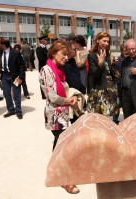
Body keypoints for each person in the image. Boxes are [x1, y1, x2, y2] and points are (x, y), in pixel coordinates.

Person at [39, 40, 80, 194]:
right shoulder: (47, 70)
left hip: (63, 114)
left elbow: (64, 90)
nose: (66, 58)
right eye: (63, 54)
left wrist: (72, 98)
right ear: (53, 53)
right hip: (55, 115)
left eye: (67, 55)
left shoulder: (59, 70)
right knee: (62, 147)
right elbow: (52, 96)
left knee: (59, 145)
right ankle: (64, 179)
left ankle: (55, 172)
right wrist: (68, 101)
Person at [86, 32, 120, 118]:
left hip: (109, 91)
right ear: (97, 40)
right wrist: (100, 63)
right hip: (97, 91)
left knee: (107, 118)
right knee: (96, 119)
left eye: (108, 42)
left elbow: (112, 74)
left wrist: (113, 65)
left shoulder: (107, 55)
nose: (106, 43)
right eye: (104, 41)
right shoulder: (92, 56)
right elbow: (95, 74)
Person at [63, 35, 88, 124]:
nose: (76, 51)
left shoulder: (72, 61)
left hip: (77, 94)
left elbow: (77, 77)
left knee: (78, 121)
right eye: (74, 49)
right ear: (68, 50)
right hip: (70, 98)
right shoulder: (64, 64)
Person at [0, 38, 25, 119]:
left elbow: (22, 66)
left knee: (16, 95)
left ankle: (18, 111)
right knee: (6, 94)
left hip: (14, 77)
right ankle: (11, 110)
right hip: (4, 76)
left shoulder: (16, 53)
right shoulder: (1, 52)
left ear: (3, 45)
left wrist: (20, 77)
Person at [36, 35, 48, 99]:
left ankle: (47, 93)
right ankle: (43, 95)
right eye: (46, 40)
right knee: (42, 81)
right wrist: (48, 58)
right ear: (42, 41)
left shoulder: (45, 48)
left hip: (47, 67)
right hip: (42, 67)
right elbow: (40, 59)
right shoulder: (39, 49)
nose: (47, 41)